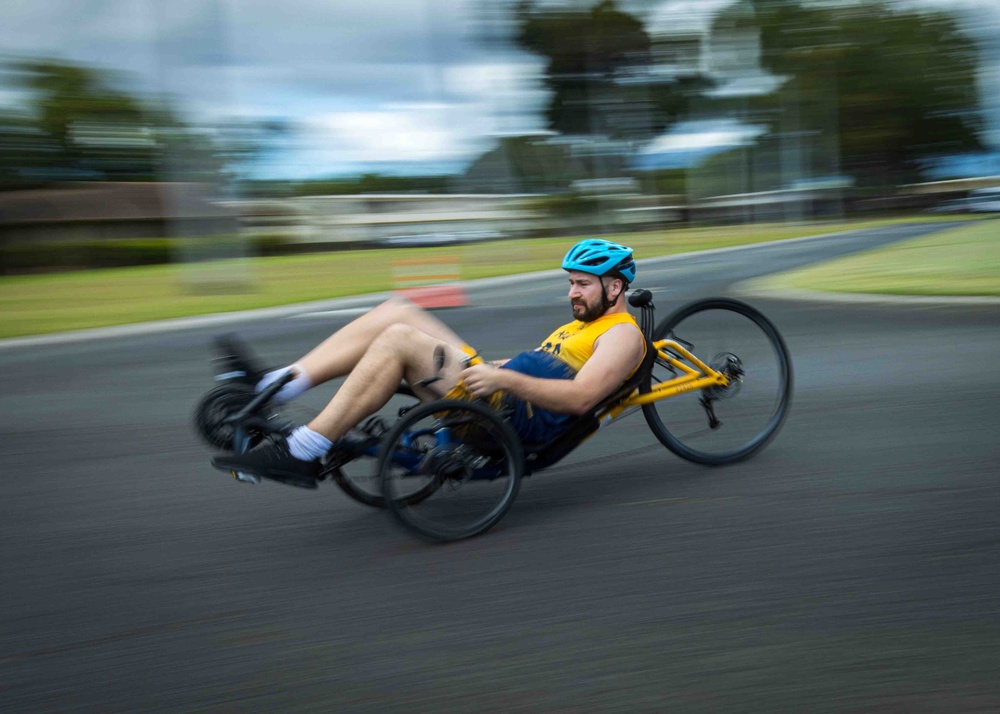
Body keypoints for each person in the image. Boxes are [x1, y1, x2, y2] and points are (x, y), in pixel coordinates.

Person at [212, 239, 646, 488]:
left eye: (583, 285)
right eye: (571, 283)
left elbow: (580, 398)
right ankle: (277, 385)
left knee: (400, 340)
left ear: (614, 288)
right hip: (498, 390)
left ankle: (303, 449)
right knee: (397, 312)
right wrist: (495, 368)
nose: (572, 293)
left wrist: (502, 377)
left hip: (512, 415)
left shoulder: (623, 334)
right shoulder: (576, 328)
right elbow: (528, 365)